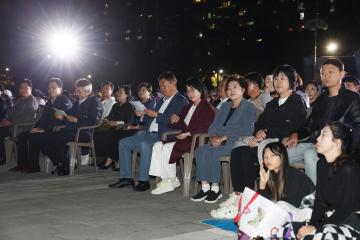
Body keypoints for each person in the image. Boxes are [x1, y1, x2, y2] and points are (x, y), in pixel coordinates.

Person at [221, 64, 307, 209]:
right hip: (267, 142)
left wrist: (266, 133)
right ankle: (239, 194)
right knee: (238, 152)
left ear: (292, 81)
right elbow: (260, 122)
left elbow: (291, 126)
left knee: (248, 155)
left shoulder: (297, 101)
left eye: (282, 78)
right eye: (276, 79)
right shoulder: (273, 104)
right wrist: (259, 131)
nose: (277, 82)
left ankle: (250, 199)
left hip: (280, 145)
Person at [109, 71, 188, 192]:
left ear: (173, 83)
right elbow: (151, 118)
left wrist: (155, 114)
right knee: (123, 142)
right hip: (148, 132)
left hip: (163, 135)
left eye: (164, 85)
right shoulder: (161, 100)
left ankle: (144, 181)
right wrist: (141, 114)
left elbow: (175, 122)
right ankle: (126, 178)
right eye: (160, 86)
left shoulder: (181, 101)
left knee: (145, 145)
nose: (161, 89)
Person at [287, 58, 360, 184]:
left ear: (342, 74)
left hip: (337, 147)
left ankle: (314, 196)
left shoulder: (351, 98)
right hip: (314, 142)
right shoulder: (321, 100)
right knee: (281, 154)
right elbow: (309, 124)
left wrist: (339, 145)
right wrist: (296, 134)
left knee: (310, 154)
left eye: (330, 72)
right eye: (322, 73)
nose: (325, 76)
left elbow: (357, 128)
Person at [191, 75, 256, 204]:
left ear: (243, 90)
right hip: (217, 140)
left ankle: (215, 189)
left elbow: (247, 129)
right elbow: (214, 125)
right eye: (229, 88)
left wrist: (224, 137)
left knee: (213, 153)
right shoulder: (225, 106)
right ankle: (205, 187)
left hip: (233, 142)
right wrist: (214, 136)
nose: (231, 90)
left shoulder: (248, 107)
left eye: (235, 87)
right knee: (200, 151)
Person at [211, 142, 314, 219]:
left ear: (282, 156)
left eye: (272, 156)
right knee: (250, 203)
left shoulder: (292, 173)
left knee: (277, 207)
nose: (268, 160)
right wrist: (262, 185)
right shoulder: (270, 175)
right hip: (291, 210)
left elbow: (290, 204)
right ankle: (235, 210)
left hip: (309, 211)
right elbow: (263, 202)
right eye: (265, 157)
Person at [149, 78, 215, 195]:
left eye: (193, 90)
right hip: (185, 139)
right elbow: (179, 123)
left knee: (167, 148)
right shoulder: (188, 107)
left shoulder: (207, 107)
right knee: (157, 145)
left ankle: (170, 180)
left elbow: (207, 127)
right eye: (188, 91)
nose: (190, 93)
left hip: (197, 141)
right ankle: (168, 179)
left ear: (201, 90)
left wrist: (189, 133)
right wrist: (174, 118)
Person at [296, 122, 360, 239]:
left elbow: (346, 208)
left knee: (321, 234)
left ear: (337, 142)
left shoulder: (349, 168)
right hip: (332, 214)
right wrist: (312, 225)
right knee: (298, 227)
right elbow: (320, 200)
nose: (317, 138)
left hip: (353, 219)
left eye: (323, 134)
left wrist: (318, 227)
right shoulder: (321, 164)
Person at [36, 78, 103, 176]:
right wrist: (62, 115)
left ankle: (66, 165)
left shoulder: (94, 102)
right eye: (76, 90)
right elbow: (69, 115)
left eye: (79, 91)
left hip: (84, 133)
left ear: (88, 91)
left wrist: (76, 120)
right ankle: (60, 162)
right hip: (71, 130)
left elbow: (93, 121)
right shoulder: (77, 102)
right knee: (45, 138)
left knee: (58, 138)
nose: (76, 93)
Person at [15, 78, 72, 173]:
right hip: (49, 129)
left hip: (60, 130)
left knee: (40, 138)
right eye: (49, 88)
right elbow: (43, 118)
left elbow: (61, 120)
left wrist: (44, 129)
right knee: (29, 135)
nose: (50, 90)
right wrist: (37, 127)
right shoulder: (50, 102)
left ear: (60, 88)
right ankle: (34, 166)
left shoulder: (64, 100)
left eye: (53, 88)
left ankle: (60, 162)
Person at [96, 84, 155, 170]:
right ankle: (111, 159)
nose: (140, 93)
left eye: (143, 90)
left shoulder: (148, 105)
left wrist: (131, 125)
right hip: (129, 127)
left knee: (117, 133)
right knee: (111, 131)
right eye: (139, 91)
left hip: (141, 129)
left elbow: (143, 121)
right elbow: (130, 119)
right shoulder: (127, 105)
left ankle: (114, 161)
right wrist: (108, 121)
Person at [0, 79, 39, 170]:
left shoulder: (31, 101)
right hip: (13, 127)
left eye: (26, 88)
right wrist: (5, 120)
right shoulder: (19, 100)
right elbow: (11, 114)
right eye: (21, 88)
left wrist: (11, 122)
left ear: (31, 89)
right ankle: (3, 156)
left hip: (24, 127)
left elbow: (30, 118)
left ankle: (16, 163)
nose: (23, 90)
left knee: (21, 138)